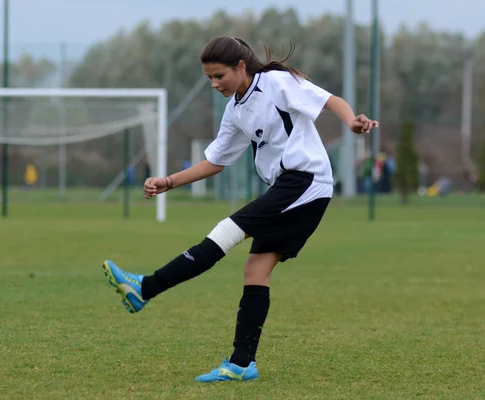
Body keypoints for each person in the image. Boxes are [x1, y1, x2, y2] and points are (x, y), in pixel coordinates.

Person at [103, 36, 378, 382]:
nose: (215, 84)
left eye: (219, 76)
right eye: (209, 79)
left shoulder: (276, 83)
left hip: (305, 181)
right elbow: (215, 161)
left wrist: (351, 121)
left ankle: (144, 288)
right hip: (291, 187)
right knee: (255, 271)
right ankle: (241, 364)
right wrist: (169, 181)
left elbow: (328, 100)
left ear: (241, 67)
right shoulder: (235, 110)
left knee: (227, 230)